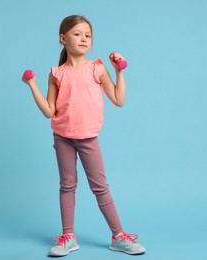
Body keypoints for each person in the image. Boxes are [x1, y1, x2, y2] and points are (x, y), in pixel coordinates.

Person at [22, 15, 146, 256]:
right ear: (63, 39)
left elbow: (119, 100)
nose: (83, 38)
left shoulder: (96, 68)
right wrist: (32, 85)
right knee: (67, 186)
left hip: (88, 137)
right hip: (62, 137)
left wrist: (118, 71)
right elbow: (49, 111)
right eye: (77, 34)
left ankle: (119, 236)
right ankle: (68, 236)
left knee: (100, 187)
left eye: (87, 35)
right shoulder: (56, 73)